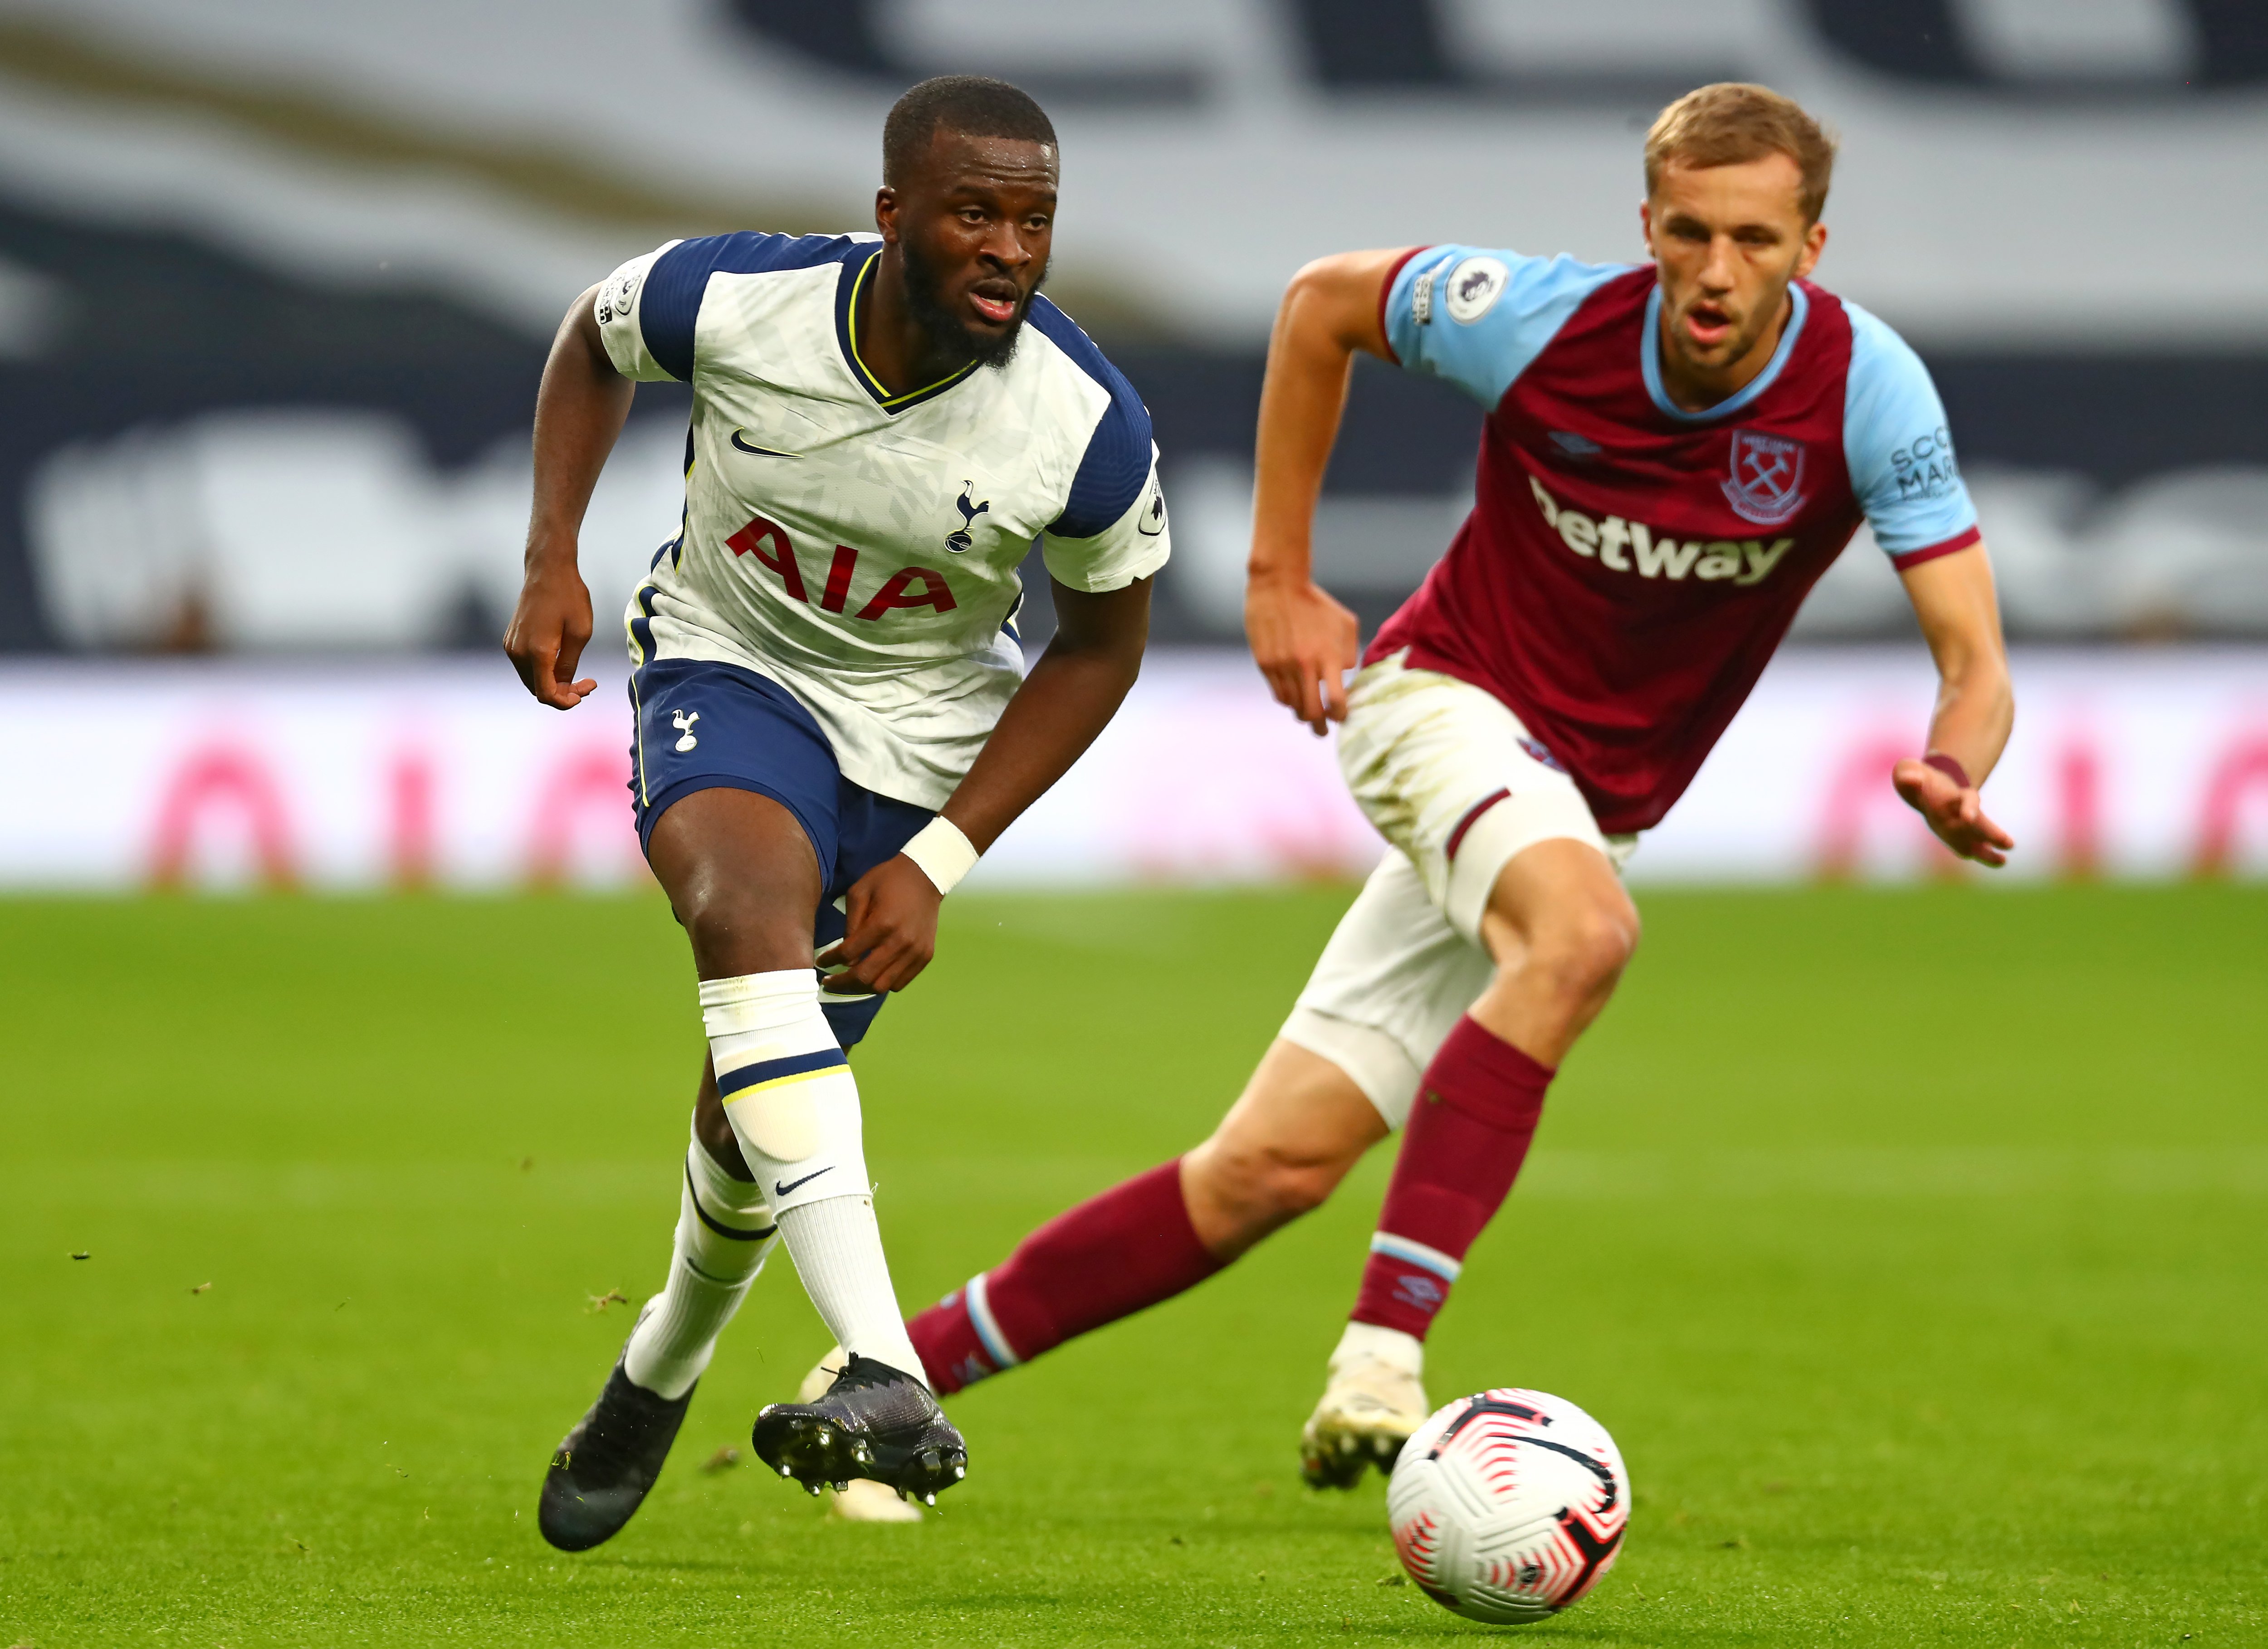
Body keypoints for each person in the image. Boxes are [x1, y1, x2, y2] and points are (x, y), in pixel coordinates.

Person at [819, 80, 2014, 1516]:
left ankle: (886, 1377)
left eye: (1753, 241)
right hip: (1440, 702)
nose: (1714, 271)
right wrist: (1278, 574)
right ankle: (1384, 1356)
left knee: (1264, 1170)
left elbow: (1977, 663)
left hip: (1583, 799)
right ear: (1646, 227)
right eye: (1688, 233)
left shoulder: (1870, 391)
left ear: (1812, 247)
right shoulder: (1544, 316)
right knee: (1579, 940)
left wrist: (1956, 765)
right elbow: (1323, 303)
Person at [502, 74, 1169, 1547]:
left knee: (754, 1112)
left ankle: (657, 1363)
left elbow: (1105, 646)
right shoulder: (739, 297)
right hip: (731, 667)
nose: (1011, 247)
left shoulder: (1086, 427)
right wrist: (553, 549)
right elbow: (591, 340)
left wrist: (940, 852)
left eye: (1036, 220)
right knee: (740, 917)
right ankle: (890, 1366)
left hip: (921, 745)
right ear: (892, 218)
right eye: (976, 212)